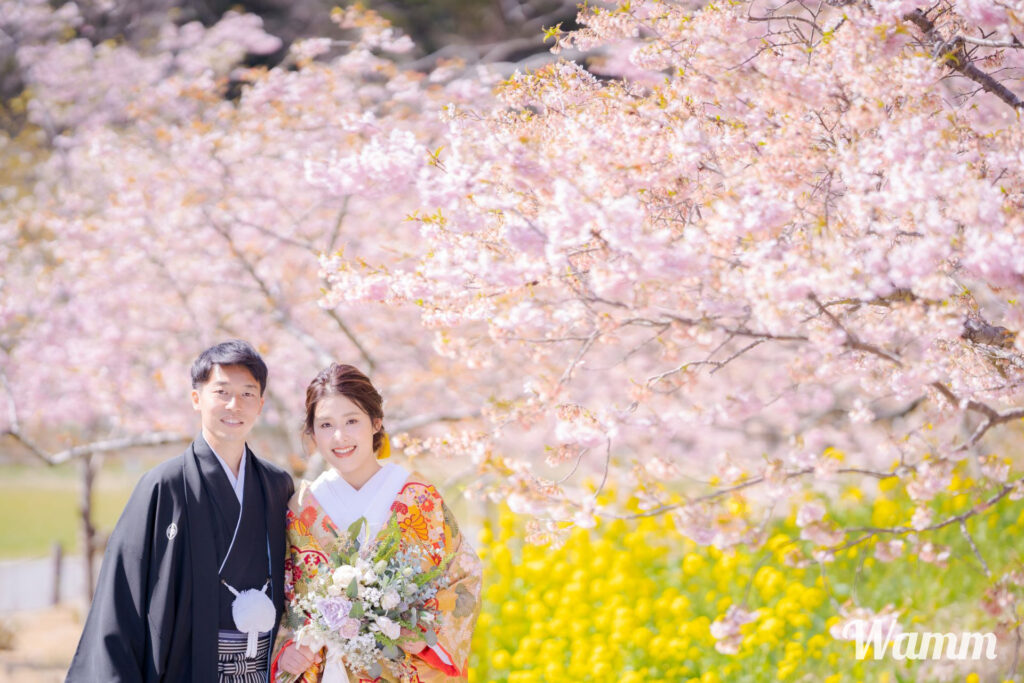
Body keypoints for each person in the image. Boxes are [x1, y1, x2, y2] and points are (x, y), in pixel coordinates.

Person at [66, 340, 295, 683]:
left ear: (261, 405)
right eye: (222, 392)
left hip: (261, 670)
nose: (235, 405)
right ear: (196, 399)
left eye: (248, 394)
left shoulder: (277, 486)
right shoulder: (163, 486)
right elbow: (122, 595)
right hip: (185, 669)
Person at [272, 363, 481, 682]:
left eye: (352, 421)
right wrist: (290, 648)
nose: (339, 437)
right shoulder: (302, 506)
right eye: (325, 424)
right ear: (312, 432)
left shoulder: (415, 496)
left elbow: (462, 574)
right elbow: (287, 597)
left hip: (403, 666)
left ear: (376, 422)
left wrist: (415, 630)